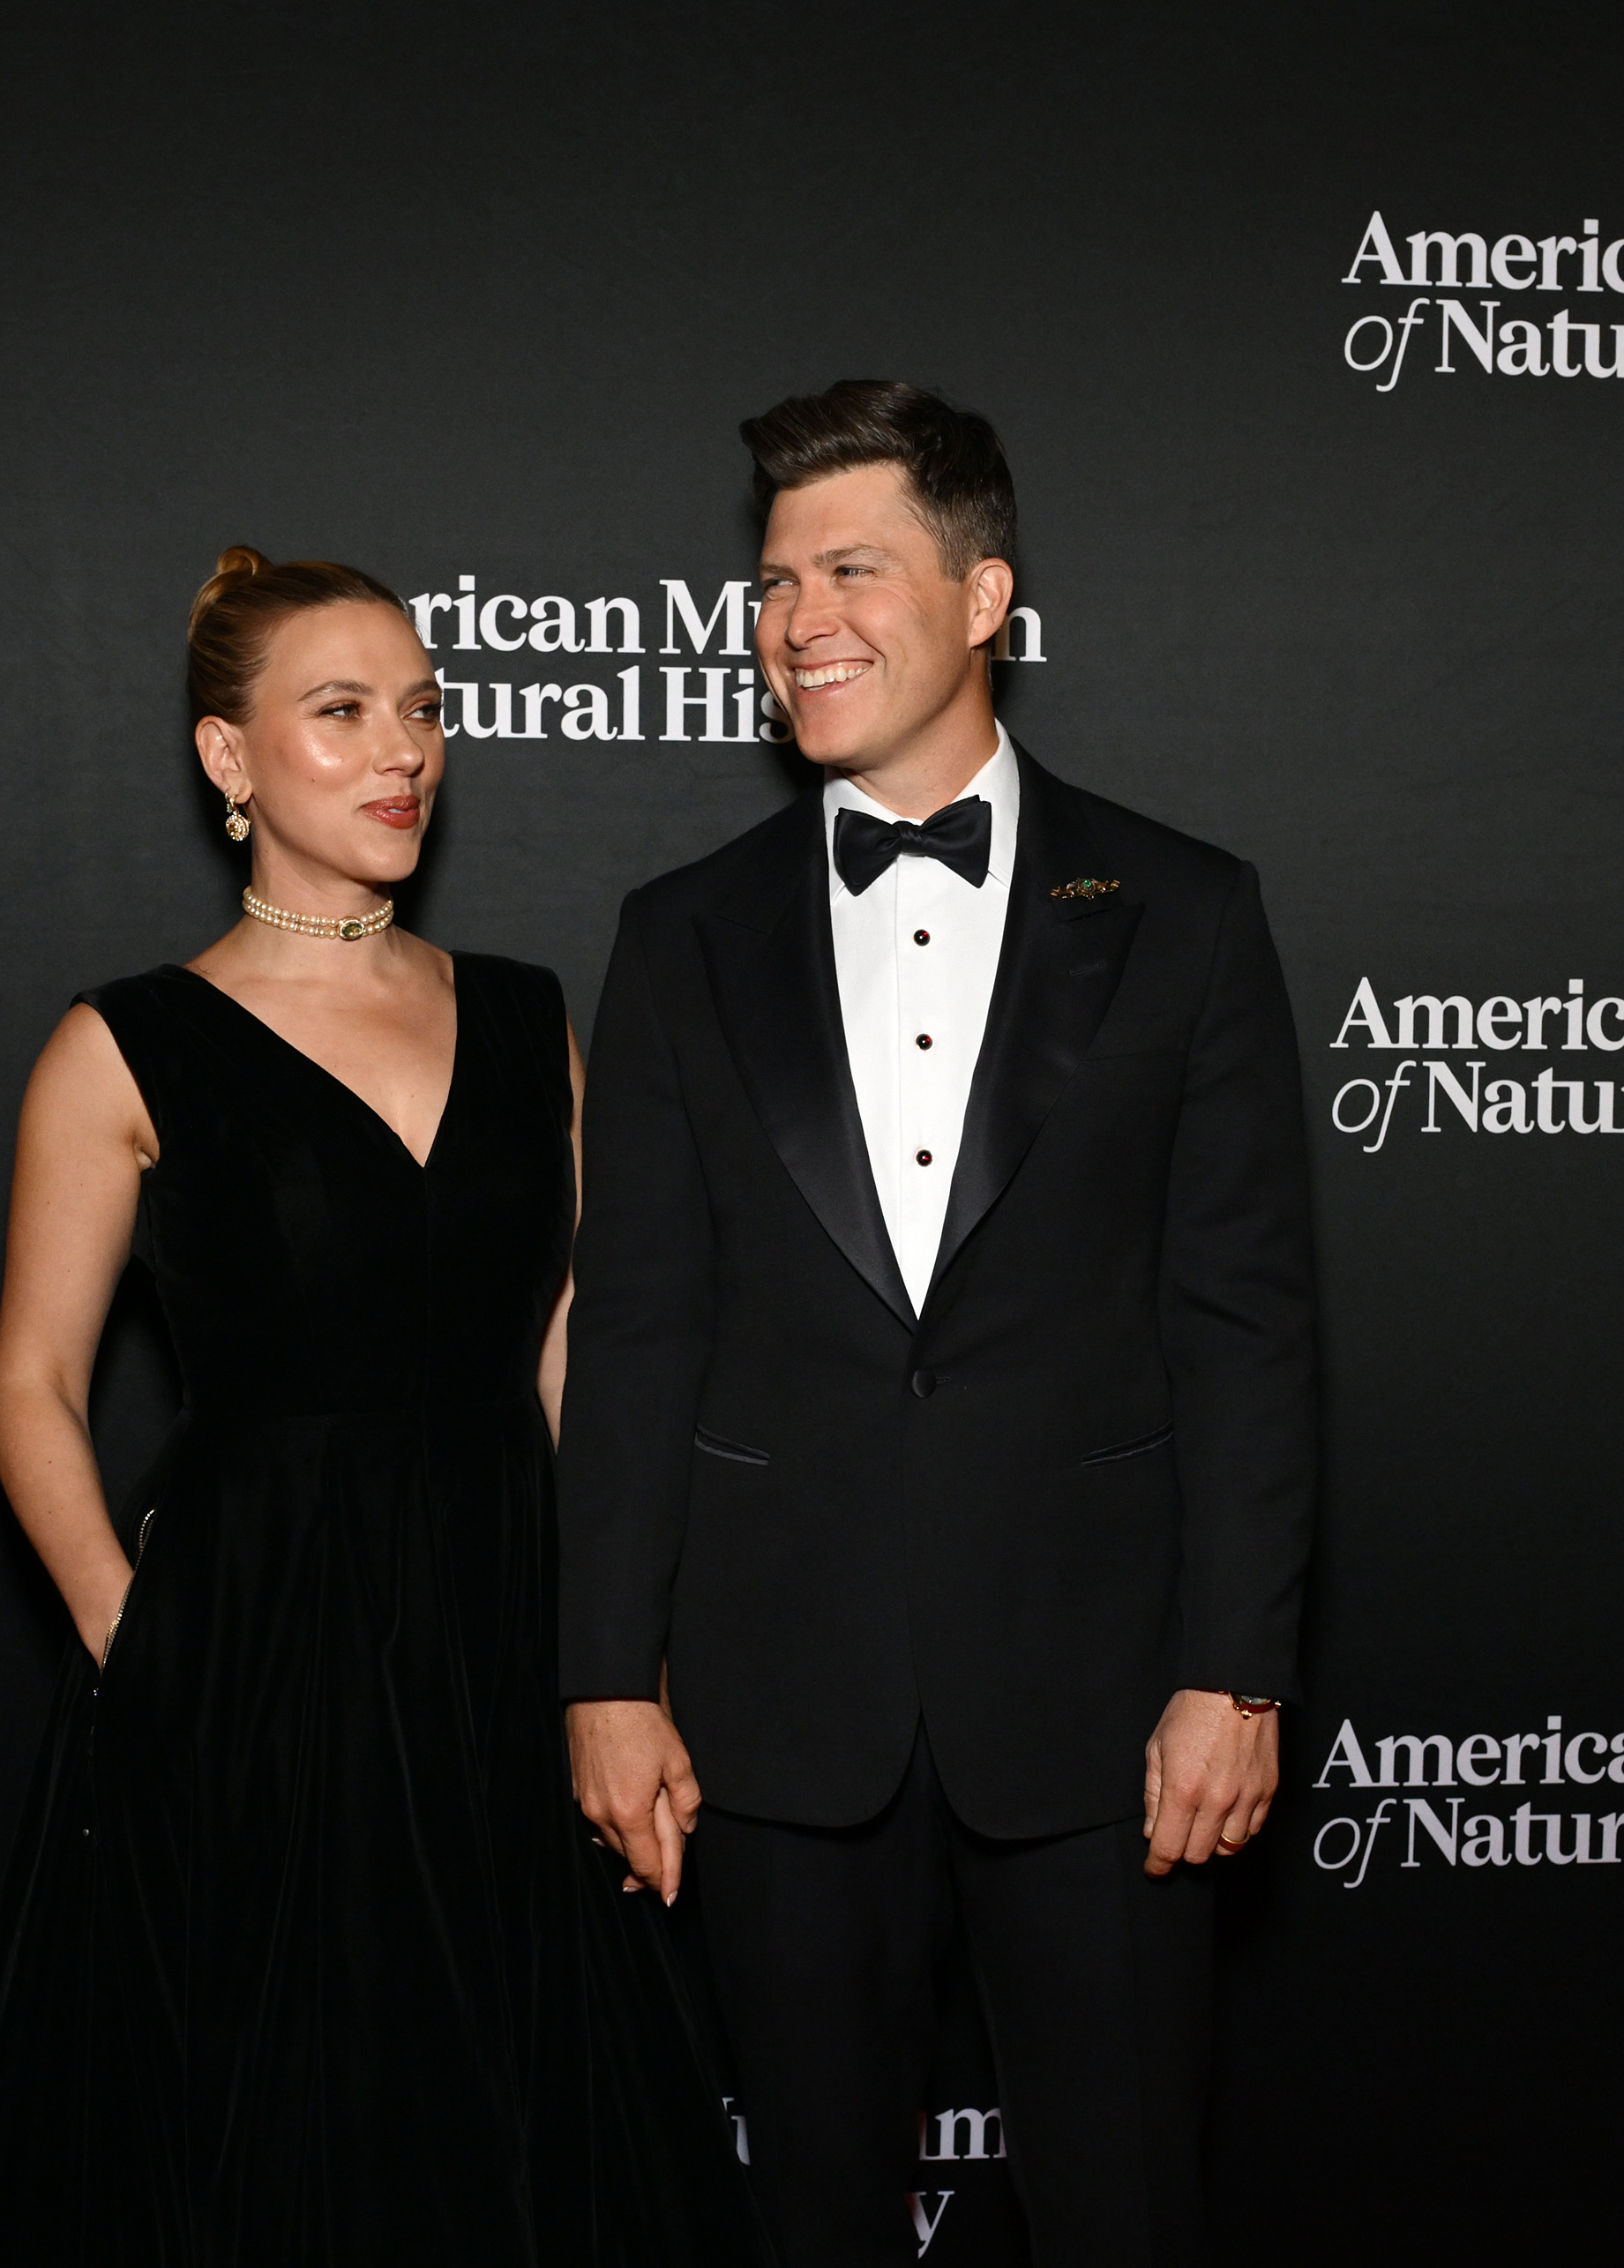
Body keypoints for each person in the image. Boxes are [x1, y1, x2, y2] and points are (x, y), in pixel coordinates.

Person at [0, 550, 768, 2266]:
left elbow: (576, 1356)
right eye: (343, 712)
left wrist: (621, 1665)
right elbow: (31, 1379)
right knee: (280, 2124)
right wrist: (138, 1639)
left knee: (525, 2114)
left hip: (503, 1633)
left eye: (422, 709)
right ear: (228, 755)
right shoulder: (124, 1045)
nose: (402, 751)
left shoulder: (526, 1016)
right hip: (255, 1648)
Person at [557, 383, 1320, 2268]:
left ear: (985, 598)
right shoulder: (678, 933)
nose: (796, 616)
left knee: (1127, 2213)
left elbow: (1244, 1325)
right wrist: (605, 1675)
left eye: (851, 568)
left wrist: (1237, 1673)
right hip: (776, 1709)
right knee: (814, 2223)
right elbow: (638, 1328)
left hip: (1106, 1708)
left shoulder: (1187, 911)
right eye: (772, 580)